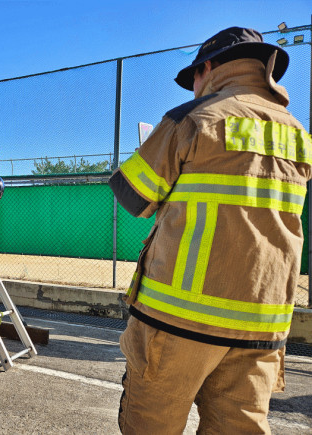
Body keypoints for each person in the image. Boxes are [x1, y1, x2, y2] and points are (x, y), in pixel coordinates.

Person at [108, 27, 312, 434]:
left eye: (194, 77)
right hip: (262, 327)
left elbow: (133, 197)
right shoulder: (298, 136)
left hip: (178, 321)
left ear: (209, 68)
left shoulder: (193, 118)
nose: (194, 87)